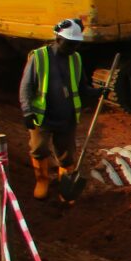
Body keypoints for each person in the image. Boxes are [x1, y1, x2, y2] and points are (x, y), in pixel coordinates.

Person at [19, 19, 104, 199]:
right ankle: (42, 180)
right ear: (58, 39)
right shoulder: (39, 57)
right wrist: (27, 111)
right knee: (39, 149)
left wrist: (96, 92)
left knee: (66, 154)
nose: (72, 48)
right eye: (69, 44)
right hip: (42, 117)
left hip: (66, 116)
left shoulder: (76, 59)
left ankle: (65, 188)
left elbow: (81, 87)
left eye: (76, 45)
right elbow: (26, 86)